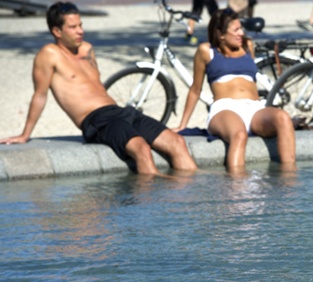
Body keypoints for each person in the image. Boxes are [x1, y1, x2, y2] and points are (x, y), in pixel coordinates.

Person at [0, 2, 197, 176]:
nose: (80, 31)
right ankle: (152, 211)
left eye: (80, 25)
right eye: (73, 27)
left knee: (177, 143)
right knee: (141, 149)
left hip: (120, 111)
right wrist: (25, 135)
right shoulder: (48, 55)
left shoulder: (87, 49)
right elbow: (40, 95)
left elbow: (95, 88)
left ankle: (191, 206)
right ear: (56, 31)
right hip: (95, 120)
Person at [173, 8, 296, 172]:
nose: (241, 33)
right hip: (224, 109)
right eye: (236, 30)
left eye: (241, 28)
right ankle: (236, 193)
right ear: (221, 34)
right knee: (239, 135)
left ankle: (289, 187)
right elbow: (195, 90)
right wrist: (183, 124)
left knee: (283, 118)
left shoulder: (247, 46)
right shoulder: (206, 51)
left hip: (254, 108)